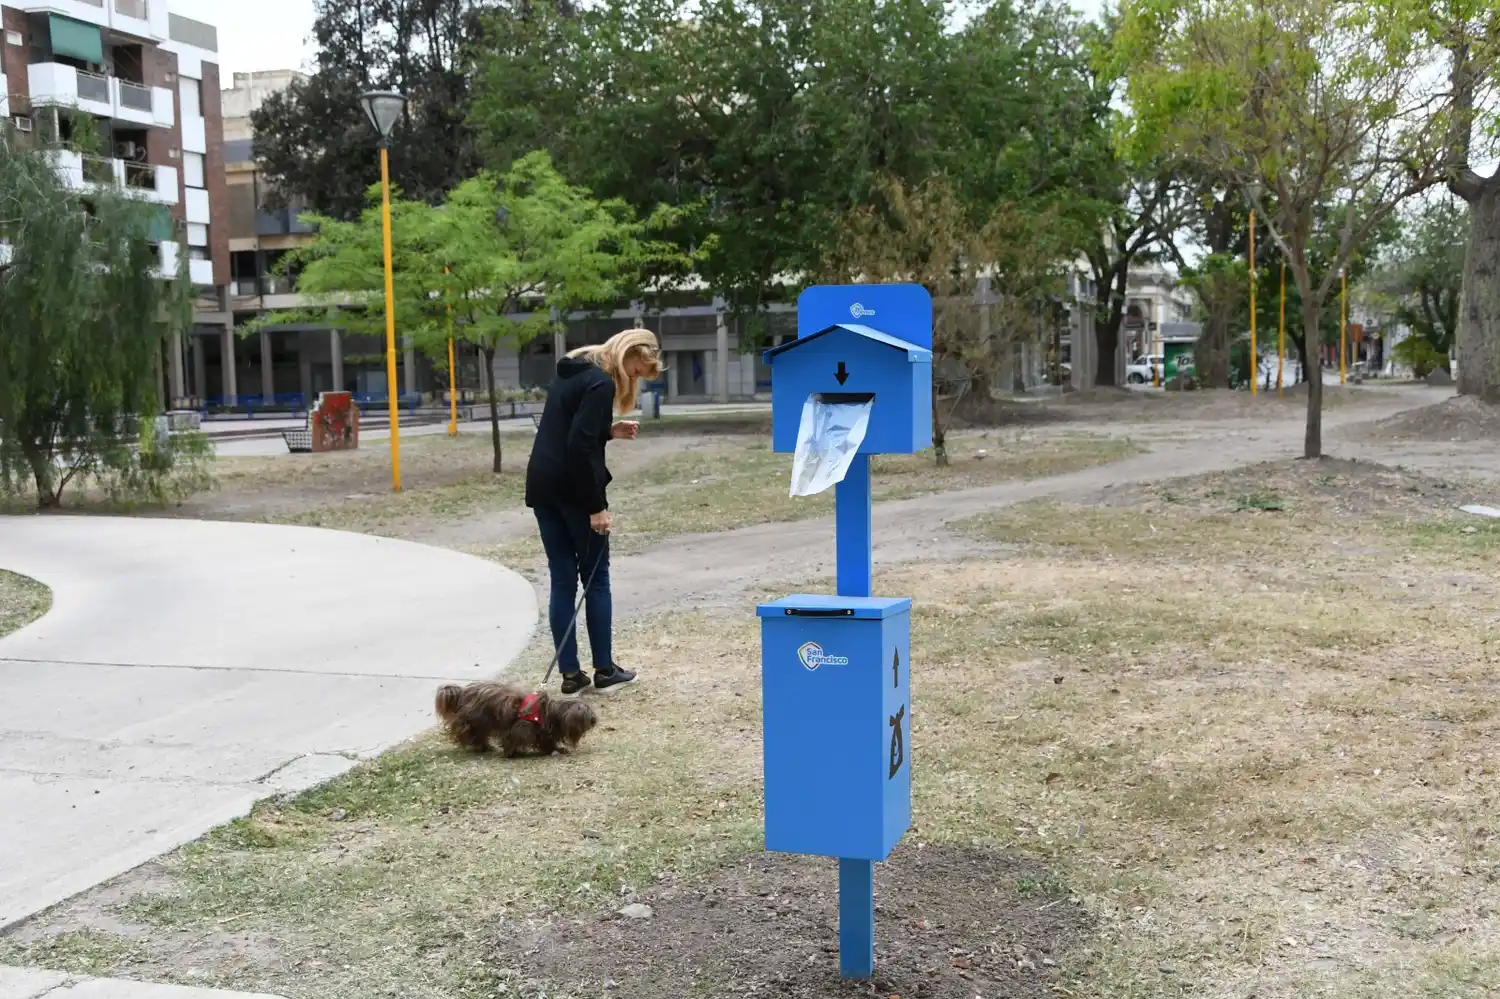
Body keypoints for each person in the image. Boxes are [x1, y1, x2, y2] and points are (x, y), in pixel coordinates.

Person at [524, 328, 663, 694]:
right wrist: (596, 507)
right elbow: (579, 449)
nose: (635, 378)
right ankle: (604, 670)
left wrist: (607, 430)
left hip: (543, 487)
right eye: (636, 370)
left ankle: (571, 676)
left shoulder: (572, 371)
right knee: (596, 580)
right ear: (627, 354)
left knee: (563, 579)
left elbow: (568, 432)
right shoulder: (601, 383)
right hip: (574, 491)